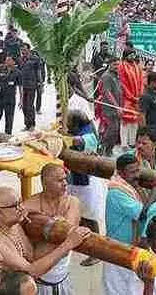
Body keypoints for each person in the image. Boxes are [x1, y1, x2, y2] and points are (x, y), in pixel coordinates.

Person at [0, 186, 90, 290]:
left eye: (20, 203)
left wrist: (53, 221)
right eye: (15, 206)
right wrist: (69, 244)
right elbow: (32, 271)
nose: (21, 208)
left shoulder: (13, 223)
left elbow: (30, 255)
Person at [104, 153, 156, 295]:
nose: (137, 175)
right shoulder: (117, 192)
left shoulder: (130, 187)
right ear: (121, 173)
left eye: (138, 170)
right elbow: (143, 214)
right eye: (132, 172)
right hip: (117, 254)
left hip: (129, 253)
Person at [22, 163, 81, 294]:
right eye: (59, 180)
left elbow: (66, 236)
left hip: (63, 276)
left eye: (65, 179)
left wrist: (49, 236)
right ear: (45, 183)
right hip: (38, 282)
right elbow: (32, 256)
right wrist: (59, 233)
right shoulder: (29, 206)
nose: (65, 184)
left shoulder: (73, 202)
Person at [66, 110, 103, 267]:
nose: (68, 127)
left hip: (86, 184)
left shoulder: (88, 135)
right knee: (79, 216)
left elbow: (78, 141)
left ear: (76, 124)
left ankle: (97, 251)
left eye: (69, 124)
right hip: (77, 181)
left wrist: (62, 138)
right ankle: (84, 243)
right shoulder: (83, 128)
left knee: (89, 218)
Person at [119, 50, 145, 149]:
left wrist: (140, 95)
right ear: (125, 56)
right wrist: (131, 97)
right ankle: (124, 144)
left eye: (133, 55)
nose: (132, 57)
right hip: (126, 98)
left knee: (134, 121)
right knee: (125, 121)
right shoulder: (122, 66)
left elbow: (141, 81)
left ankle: (132, 142)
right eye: (130, 55)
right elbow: (122, 84)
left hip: (137, 98)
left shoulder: (137, 67)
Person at [97, 56, 122, 156]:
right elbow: (108, 93)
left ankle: (109, 150)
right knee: (112, 129)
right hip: (109, 108)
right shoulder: (106, 76)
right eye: (114, 64)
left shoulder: (116, 75)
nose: (117, 66)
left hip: (117, 107)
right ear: (109, 64)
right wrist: (117, 106)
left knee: (115, 130)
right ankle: (102, 147)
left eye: (118, 64)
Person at [0, 56, 21, 135]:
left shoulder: (17, 72)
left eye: (9, 60)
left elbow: (20, 86)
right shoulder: (0, 69)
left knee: (9, 118)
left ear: (13, 62)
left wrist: (21, 100)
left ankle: (7, 135)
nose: (6, 61)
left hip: (10, 99)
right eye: (6, 60)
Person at [139, 71, 156, 152]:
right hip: (151, 130)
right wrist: (144, 132)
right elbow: (142, 115)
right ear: (152, 82)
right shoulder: (145, 96)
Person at [18, 44, 40, 132]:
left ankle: (32, 124)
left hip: (32, 85)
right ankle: (27, 124)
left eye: (24, 49)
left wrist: (40, 83)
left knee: (30, 105)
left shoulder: (35, 59)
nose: (23, 51)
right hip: (23, 85)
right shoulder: (20, 59)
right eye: (21, 50)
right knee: (24, 106)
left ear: (29, 50)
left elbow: (39, 71)